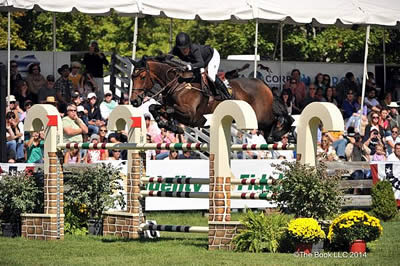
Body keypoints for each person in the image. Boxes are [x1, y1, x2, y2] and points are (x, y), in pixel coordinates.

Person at [170, 32, 231, 101]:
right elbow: (168, 56)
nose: (184, 50)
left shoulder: (194, 49)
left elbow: (201, 64)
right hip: (201, 61)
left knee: (211, 76)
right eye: (182, 49)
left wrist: (189, 67)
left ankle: (227, 95)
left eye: (185, 48)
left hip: (212, 56)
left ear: (189, 45)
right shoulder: (176, 50)